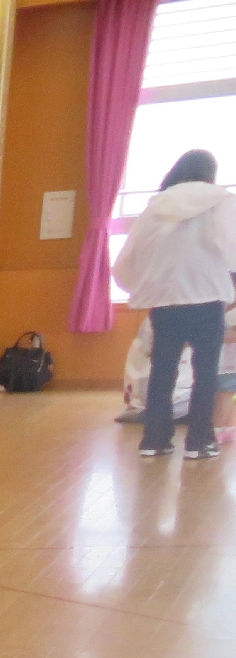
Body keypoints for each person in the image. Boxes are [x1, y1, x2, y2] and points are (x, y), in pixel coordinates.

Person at [113, 149, 236, 459]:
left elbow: (130, 257)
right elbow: (232, 247)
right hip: (208, 299)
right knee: (206, 373)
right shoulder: (220, 201)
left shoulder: (156, 206)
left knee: (162, 371)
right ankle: (199, 441)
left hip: (165, 301)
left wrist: (139, 287)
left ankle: (154, 440)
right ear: (210, 174)